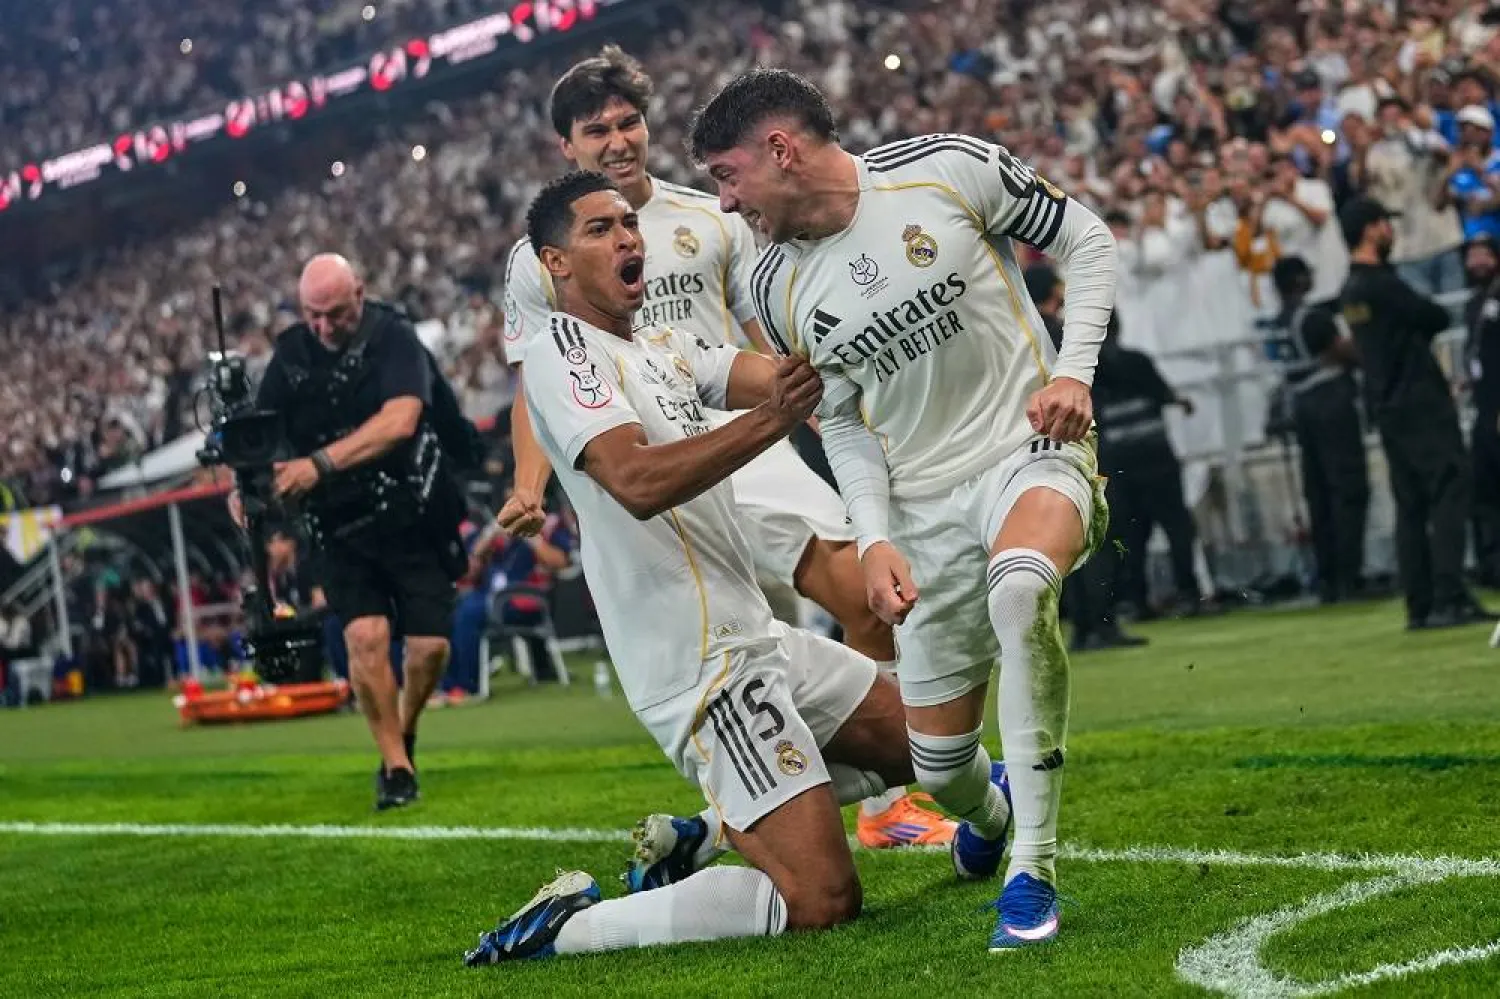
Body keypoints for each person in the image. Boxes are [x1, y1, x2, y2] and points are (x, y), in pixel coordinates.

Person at [690, 69, 1119, 949]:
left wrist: (1074, 372)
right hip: (920, 507)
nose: (726, 202)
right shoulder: (774, 287)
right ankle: (991, 816)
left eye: (728, 176)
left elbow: (1087, 238)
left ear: (781, 150)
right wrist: (875, 538)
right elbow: (843, 424)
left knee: (1020, 586)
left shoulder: (946, 169)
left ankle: (1032, 870)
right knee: (941, 767)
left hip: (1029, 449)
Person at [464, 171, 927, 966]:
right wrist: (773, 420)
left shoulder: (663, 346)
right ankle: (568, 926)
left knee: (930, 745)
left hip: (760, 638)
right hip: (702, 668)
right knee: (822, 898)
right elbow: (636, 481)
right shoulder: (559, 357)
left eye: (628, 224)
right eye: (601, 229)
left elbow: (777, 373)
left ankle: (708, 830)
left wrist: (858, 313)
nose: (627, 237)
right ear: (555, 263)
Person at [497, 46, 949, 849]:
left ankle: (863, 811)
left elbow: (762, 335)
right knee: (752, 654)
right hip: (659, 450)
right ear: (567, 147)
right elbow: (539, 382)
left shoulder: (712, 215)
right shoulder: (539, 261)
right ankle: (770, 816)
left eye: (628, 122)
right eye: (596, 130)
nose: (617, 140)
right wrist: (530, 484)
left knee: (858, 597)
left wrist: (826, 400)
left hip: (743, 434)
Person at [241, 253, 468, 810]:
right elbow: (260, 441)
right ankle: (396, 769)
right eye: (312, 315)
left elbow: (401, 420)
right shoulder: (290, 356)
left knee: (430, 649)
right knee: (364, 637)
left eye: (336, 314)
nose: (323, 327)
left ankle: (404, 731)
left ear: (360, 294)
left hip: (411, 514)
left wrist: (317, 464)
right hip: (337, 527)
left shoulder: (393, 337)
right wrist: (245, 488)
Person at [1338, 198, 1493, 629]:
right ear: (1370, 230)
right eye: (1384, 223)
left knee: (1410, 503)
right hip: (1419, 399)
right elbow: (1433, 316)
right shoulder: (1382, 284)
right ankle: (1450, 594)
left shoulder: (1350, 290)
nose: (1390, 231)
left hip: (1386, 404)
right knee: (1448, 486)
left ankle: (1419, 601)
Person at [1269, 256, 1370, 604]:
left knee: (1319, 493)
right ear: (1299, 280)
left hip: (1301, 407)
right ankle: (1349, 575)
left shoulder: (1278, 322)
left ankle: (1328, 575)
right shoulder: (1311, 318)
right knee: (1347, 488)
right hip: (1330, 402)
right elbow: (1343, 352)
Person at [1091, 312, 1204, 620]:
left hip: (1118, 458)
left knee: (1131, 532)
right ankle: (1188, 594)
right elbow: (1163, 393)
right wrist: (1181, 402)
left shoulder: (1089, 371)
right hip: (1155, 452)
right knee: (1176, 525)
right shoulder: (1136, 360)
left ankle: (1136, 599)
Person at [1463, 233, 1500, 584]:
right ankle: (1491, 564)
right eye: (1471, 255)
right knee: (1484, 490)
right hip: (1484, 408)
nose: (1476, 262)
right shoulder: (1473, 304)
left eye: (1483, 254)